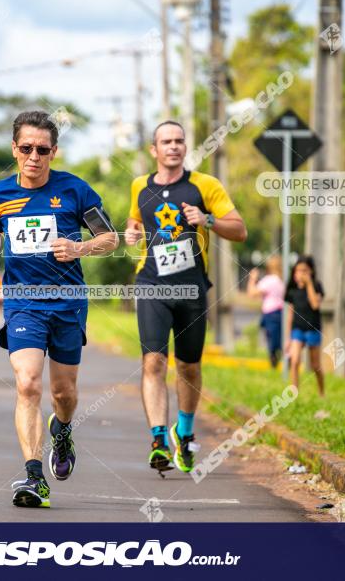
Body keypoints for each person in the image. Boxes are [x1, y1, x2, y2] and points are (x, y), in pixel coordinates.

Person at [0, 111, 119, 508]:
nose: (34, 156)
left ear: (54, 151)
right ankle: (34, 478)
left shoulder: (75, 190)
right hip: (24, 303)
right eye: (26, 149)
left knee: (63, 392)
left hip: (68, 303)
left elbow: (110, 238)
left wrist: (80, 248)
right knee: (27, 383)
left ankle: (63, 428)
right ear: (14, 150)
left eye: (42, 149)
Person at [124, 120, 247, 475]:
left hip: (192, 287)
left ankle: (186, 431)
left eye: (179, 141)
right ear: (154, 150)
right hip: (151, 285)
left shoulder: (204, 185)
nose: (174, 147)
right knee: (153, 362)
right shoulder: (139, 186)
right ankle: (159, 439)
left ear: (185, 147)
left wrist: (207, 220)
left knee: (189, 366)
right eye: (166, 141)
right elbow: (136, 220)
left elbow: (240, 230)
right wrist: (132, 233)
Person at [285, 255, 325, 396]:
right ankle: (294, 394)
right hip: (297, 329)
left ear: (311, 272)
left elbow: (315, 304)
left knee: (315, 366)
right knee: (294, 360)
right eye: (298, 270)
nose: (300, 274)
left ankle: (321, 392)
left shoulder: (317, 286)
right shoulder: (292, 290)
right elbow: (290, 314)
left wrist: (308, 284)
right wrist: (288, 338)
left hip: (312, 329)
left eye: (304, 270)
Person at [247, 255, 285, 368]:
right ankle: (278, 363)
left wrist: (252, 278)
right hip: (281, 313)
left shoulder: (270, 280)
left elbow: (252, 293)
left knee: (272, 345)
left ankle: (274, 364)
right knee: (278, 341)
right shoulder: (281, 280)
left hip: (270, 313)